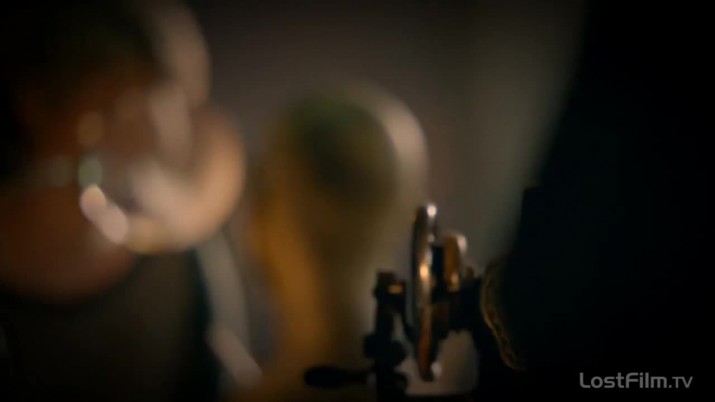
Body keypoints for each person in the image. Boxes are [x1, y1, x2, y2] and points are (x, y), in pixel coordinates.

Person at [0, 1, 248, 400]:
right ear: (35, 104)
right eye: (112, 110)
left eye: (159, 109)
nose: (133, 140)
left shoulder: (184, 258)